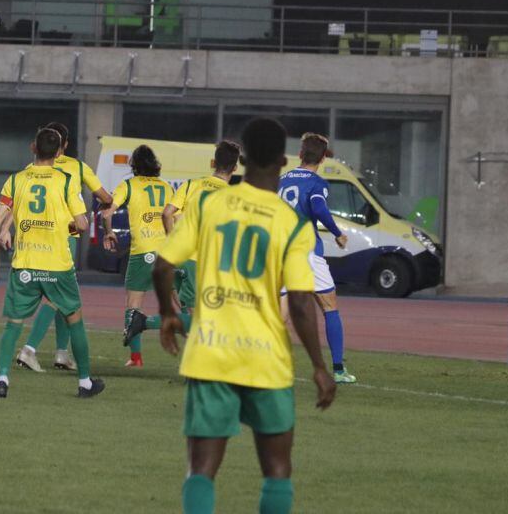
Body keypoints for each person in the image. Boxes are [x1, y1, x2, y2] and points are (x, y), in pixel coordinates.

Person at [152, 117, 337, 514]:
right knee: (276, 470)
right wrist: (320, 366)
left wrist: (168, 312)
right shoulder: (291, 224)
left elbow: (163, 265)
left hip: (212, 353)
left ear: (245, 158)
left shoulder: (211, 205)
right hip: (265, 357)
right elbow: (302, 303)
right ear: (283, 161)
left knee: (201, 470)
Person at [0, 127, 104, 399]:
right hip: (57, 266)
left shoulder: (16, 180)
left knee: (13, 324)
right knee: (75, 320)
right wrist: (70, 226)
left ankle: (1, 380)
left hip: (24, 265)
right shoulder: (66, 180)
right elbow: (82, 223)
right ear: (60, 152)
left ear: (33, 148)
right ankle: (84, 383)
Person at [14, 121, 113, 374]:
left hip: (35, 238)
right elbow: (105, 197)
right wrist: (105, 206)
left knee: (62, 300)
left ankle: (61, 353)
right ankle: (29, 349)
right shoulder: (78, 166)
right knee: (56, 297)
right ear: (65, 145)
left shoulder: (32, 166)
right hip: (64, 238)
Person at [123, 140, 240, 347]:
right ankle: (145, 322)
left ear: (213, 162)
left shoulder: (190, 185)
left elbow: (167, 213)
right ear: (236, 167)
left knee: (197, 318)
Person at [278, 133, 356, 384]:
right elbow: (319, 207)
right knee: (329, 307)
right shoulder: (317, 183)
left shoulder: (280, 180)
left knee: (281, 314)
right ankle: (339, 369)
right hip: (306, 252)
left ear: (300, 155)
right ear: (322, 158)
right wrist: (338, 233)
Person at [101, 144, 172, 367]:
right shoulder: (166, 187)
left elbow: (107, 212)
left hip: (143, 253)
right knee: (182, 305)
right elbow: (175, 218)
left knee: (133, 305)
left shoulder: (129, 185)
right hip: (168, 253)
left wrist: (109, 232)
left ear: (134, 165)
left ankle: (136, 358)